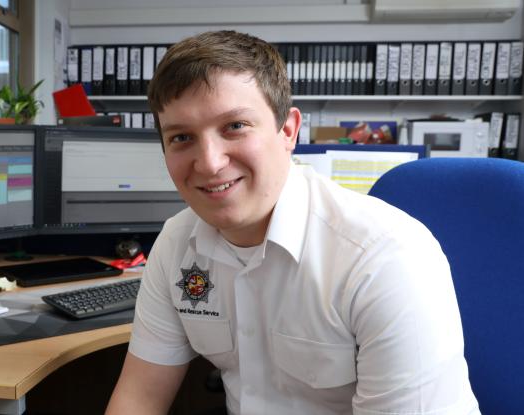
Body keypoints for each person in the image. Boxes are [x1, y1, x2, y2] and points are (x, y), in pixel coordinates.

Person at [106, 31, 478, 415]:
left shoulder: (384, 257)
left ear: (287, 130)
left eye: (235, 126)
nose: (210, 162)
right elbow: (140, 398)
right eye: (182, 136)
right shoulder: (176, 243)